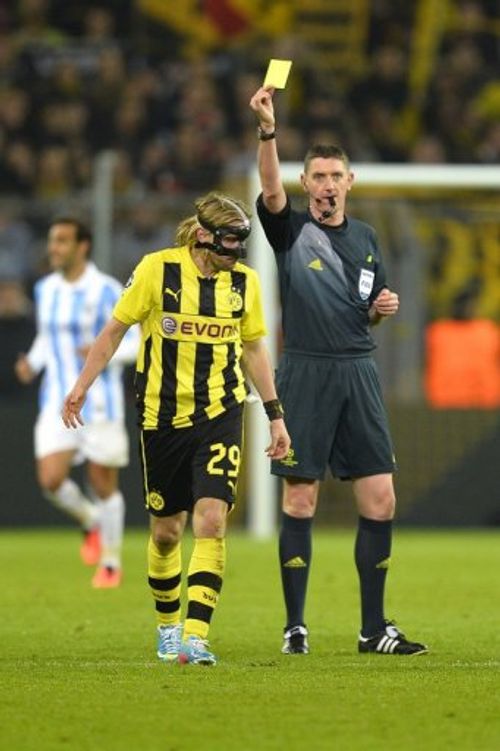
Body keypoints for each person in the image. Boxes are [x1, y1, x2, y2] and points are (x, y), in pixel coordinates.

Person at [62, 191, 290, 666]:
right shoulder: (155, 271)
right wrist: (82, 386)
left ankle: (195, 635)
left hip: (220, 412)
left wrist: (275, 415)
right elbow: (112, 333)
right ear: (206, 237)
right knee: (167, 532)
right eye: (230, 242)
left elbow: (253, 351)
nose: (238, 252)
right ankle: (167, 626)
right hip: (160, 416)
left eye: (242, 242)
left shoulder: (244, 284)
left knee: (212, 520)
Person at [249, 86, 428, 656]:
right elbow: (269, 188)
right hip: (305, 372)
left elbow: (363, 310)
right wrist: (269, 131)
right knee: (299, 499)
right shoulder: (291, 230)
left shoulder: (369, 239)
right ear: (307, 184)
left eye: (335, 175)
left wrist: (378, 312)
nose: (326, 184)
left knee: (381, 499)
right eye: (318, 176)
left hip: (359, 372)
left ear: (350, 183)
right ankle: (295, 626)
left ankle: (373, 629)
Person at [15, 217, 139, 588]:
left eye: (62, 241)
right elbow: (46, 337)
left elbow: (136, 342)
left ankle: (111, 564)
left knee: (102, 482)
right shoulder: (45, 289)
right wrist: (33, 362)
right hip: (56, 398)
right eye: (52, 241)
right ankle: (91, 521)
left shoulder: (107, 290)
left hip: (99, 403)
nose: (53, 248)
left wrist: (104, 355)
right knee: (51, 479)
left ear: (82, 246)